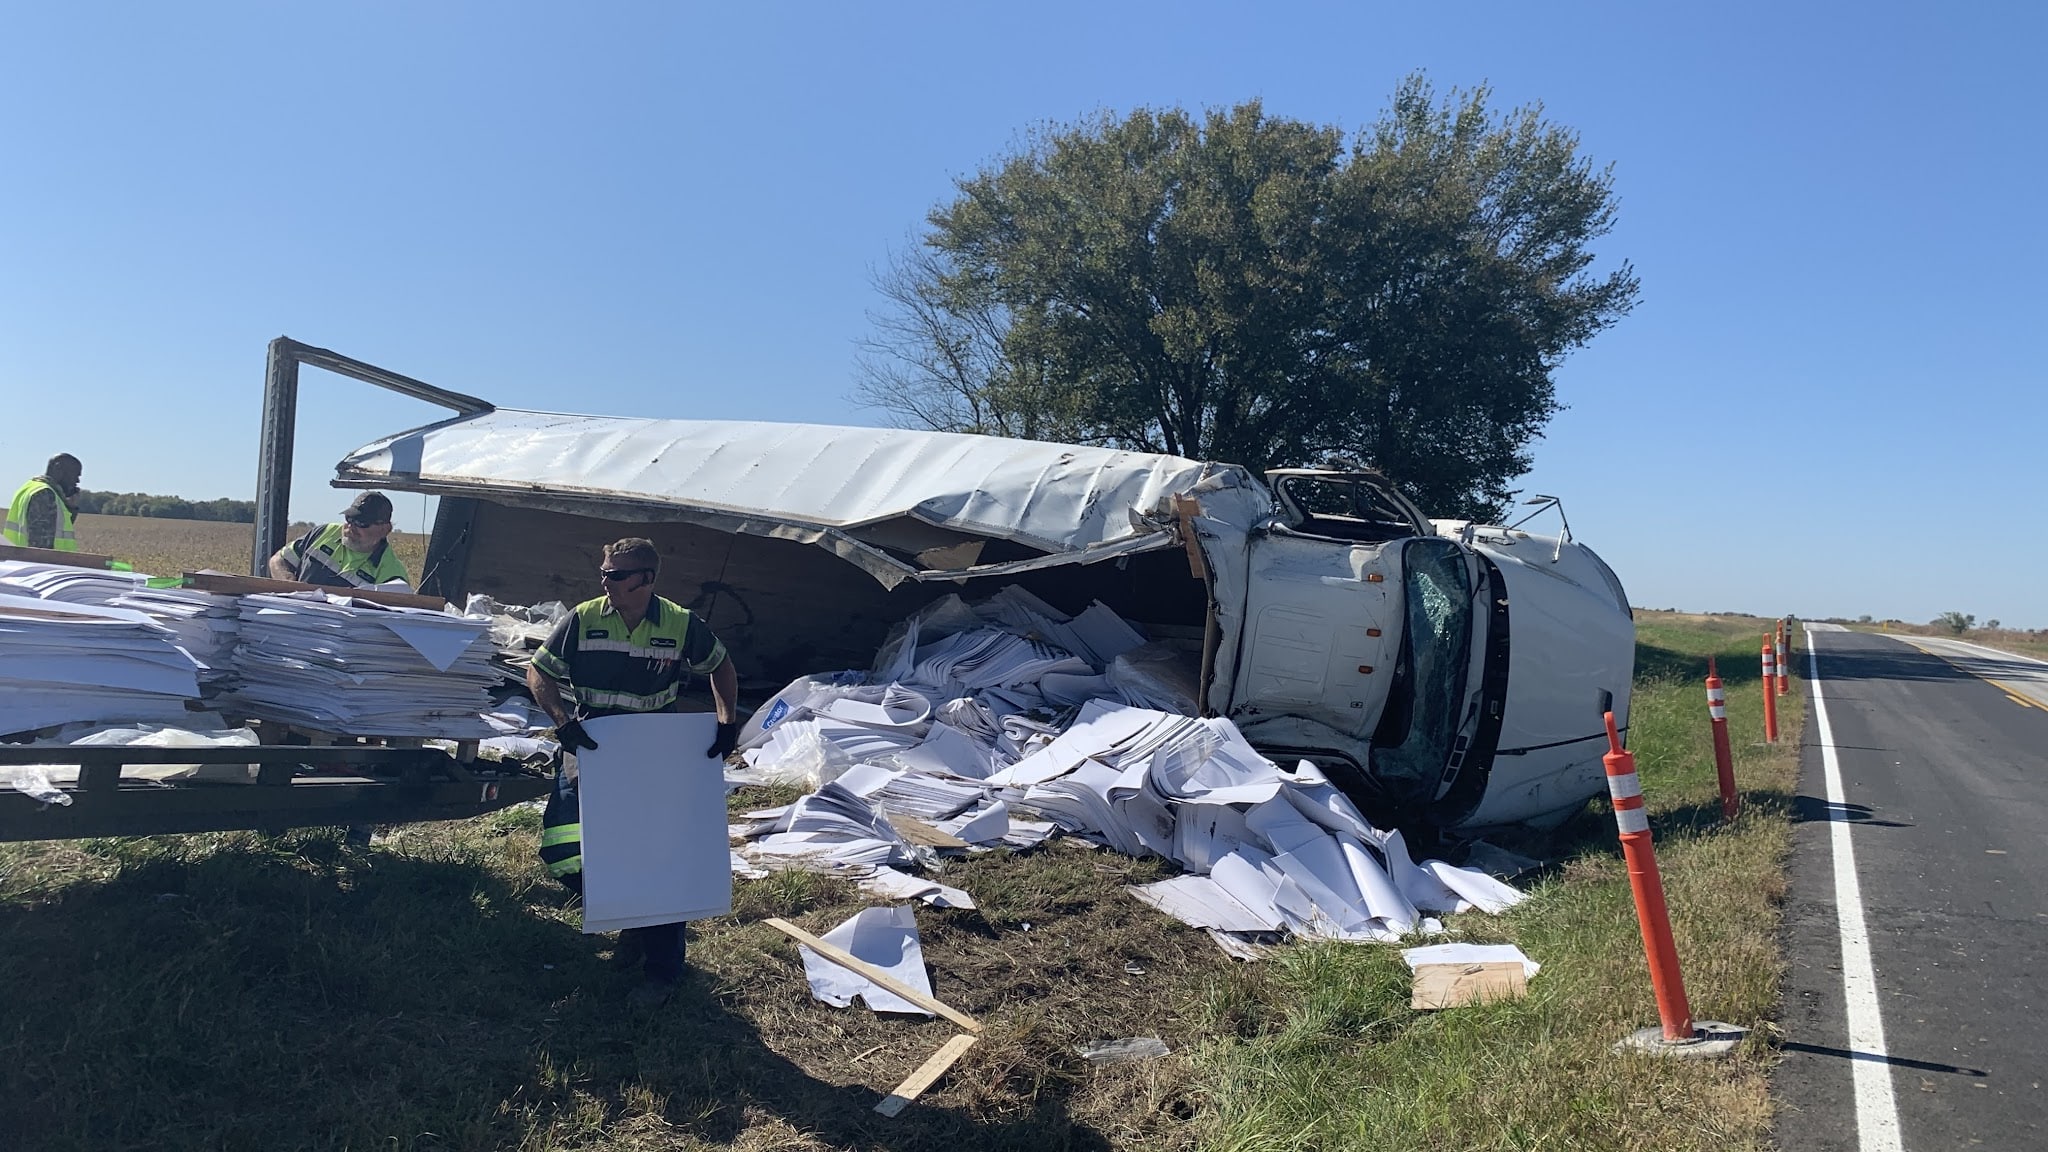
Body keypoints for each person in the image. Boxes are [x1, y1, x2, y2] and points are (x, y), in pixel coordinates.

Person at [525, 537, 742, 1007]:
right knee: (563, 848)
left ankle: (662, 970)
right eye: (604, 572)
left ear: (647, 580)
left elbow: (720, 665)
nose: (607, 582)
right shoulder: (583, 618)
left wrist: (727, 722)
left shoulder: (680, 623)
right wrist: (563, 724)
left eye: (617, 575)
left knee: (656, 859)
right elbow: (538, 673)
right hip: (592, 747)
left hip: (652, 755)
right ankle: (628, 915)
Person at [268, 492, 411, 589]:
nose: (351, 526)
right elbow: (278, 560)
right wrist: (289, 584)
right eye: (349, 518)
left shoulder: (392, 574)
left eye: (362, 523)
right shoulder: (325, 532)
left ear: (384, 530)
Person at [4, 453, 83, 551]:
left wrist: (71, 508)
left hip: (19, 561)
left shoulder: (29, 487)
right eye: (75, 475)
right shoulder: (44, 494)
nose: (77, 481)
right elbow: (41, 547)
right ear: (58, 469)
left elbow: (55, 531)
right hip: (40, 564)